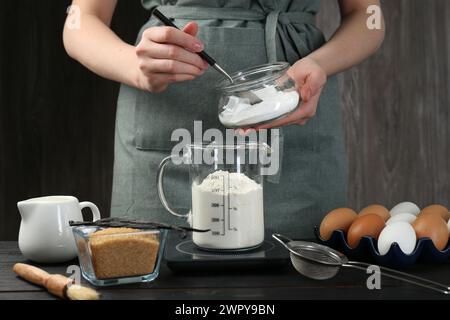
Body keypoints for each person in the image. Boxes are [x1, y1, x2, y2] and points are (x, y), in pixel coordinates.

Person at [63, 0, 385, 238]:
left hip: (295, 114)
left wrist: (319, 64)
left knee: (299, 279)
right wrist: (133, 64)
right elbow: (80, 22)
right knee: (155, 272)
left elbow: (368, 17)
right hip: (168, 121)